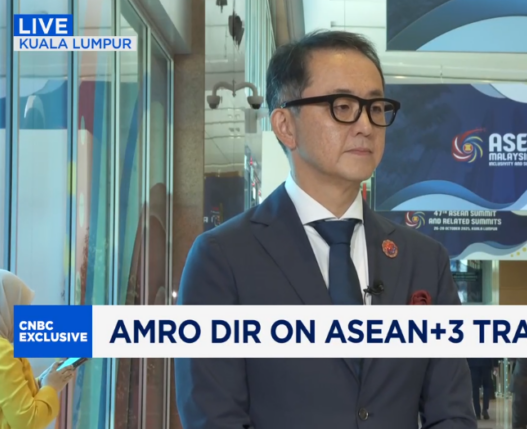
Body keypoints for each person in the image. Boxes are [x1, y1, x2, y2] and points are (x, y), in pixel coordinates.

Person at [174, 30, 476, 429]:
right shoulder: (222, 258)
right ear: (285, 125)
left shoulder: (424, 260)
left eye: (376, 107)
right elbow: (213, 417)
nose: (366, 125)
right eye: (343, 106)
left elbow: (452, 412)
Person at [0, 270, 75, 429]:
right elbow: (27, 421)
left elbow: (6, 397)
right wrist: (51, 387)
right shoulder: (2, 351)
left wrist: (42, 382)